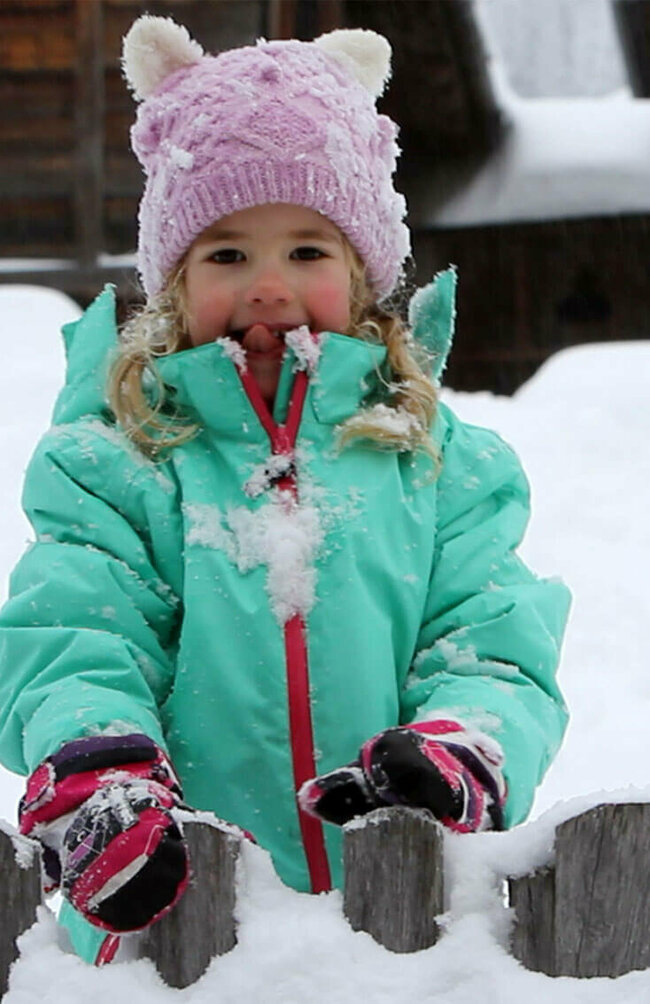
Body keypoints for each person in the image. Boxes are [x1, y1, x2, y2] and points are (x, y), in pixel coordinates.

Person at [0, 16, 570, 965]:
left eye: (307, 252)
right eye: (227, 255)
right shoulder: (116, 464)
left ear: (363, 276)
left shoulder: (441, 466)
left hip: (395, 936)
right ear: (175, 283)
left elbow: (491, 642)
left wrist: (459, 744)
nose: (268, 286)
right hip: (171, 940)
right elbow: (77, 634)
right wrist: (100, 768)